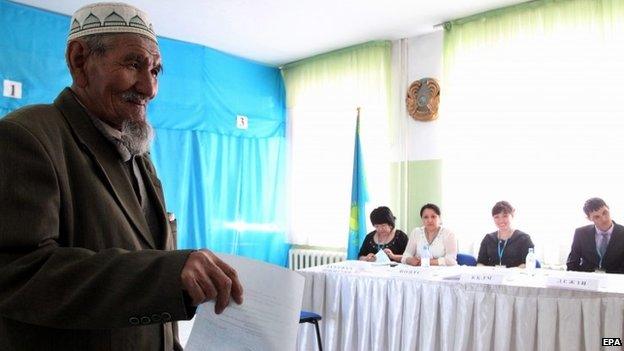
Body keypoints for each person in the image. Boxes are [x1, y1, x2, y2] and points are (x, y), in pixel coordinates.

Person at [0, 3, 243, 350]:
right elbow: (20, 273)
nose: (150, 88)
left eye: (156, 71)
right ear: (80, 61)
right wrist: (167, 273)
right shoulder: (26, 138)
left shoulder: (138, 157)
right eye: (133, 64)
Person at [566, 197, 624, 273]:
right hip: (587, 280)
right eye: (596, 217)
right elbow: (572, 263)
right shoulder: (580, 233)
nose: (604, 219)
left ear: (608, 208)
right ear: (589, 218)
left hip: (616, 281)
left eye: (605, 213)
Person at [477, 201, 534, 268]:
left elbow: (528, 264)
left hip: (515, 277)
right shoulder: (488, 238)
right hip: (493, 276)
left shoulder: (524, 239)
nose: (501, 220)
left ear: (512, 215)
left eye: (505, 216)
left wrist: (509, 273)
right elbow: (480, 263)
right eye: (496, 217)